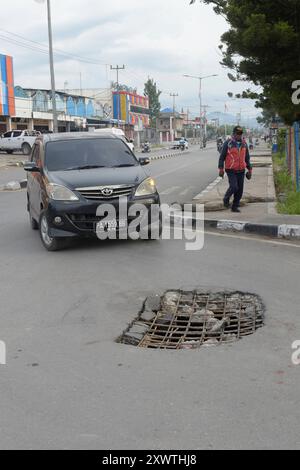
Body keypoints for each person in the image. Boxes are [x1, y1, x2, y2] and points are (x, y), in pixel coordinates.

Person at [218, 126, 252, 213]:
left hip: (241, 170)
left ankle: (234, 206)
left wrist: (250, 170)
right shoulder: (228, 143)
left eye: (240, 134)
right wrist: (221, 169)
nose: (239, 136)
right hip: (231, 170)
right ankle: (226, 199)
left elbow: (247, 158)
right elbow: (222, 157)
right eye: (237, 134)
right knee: (234, 187)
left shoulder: (244, 144)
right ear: (233, 134)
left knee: (240, 190)